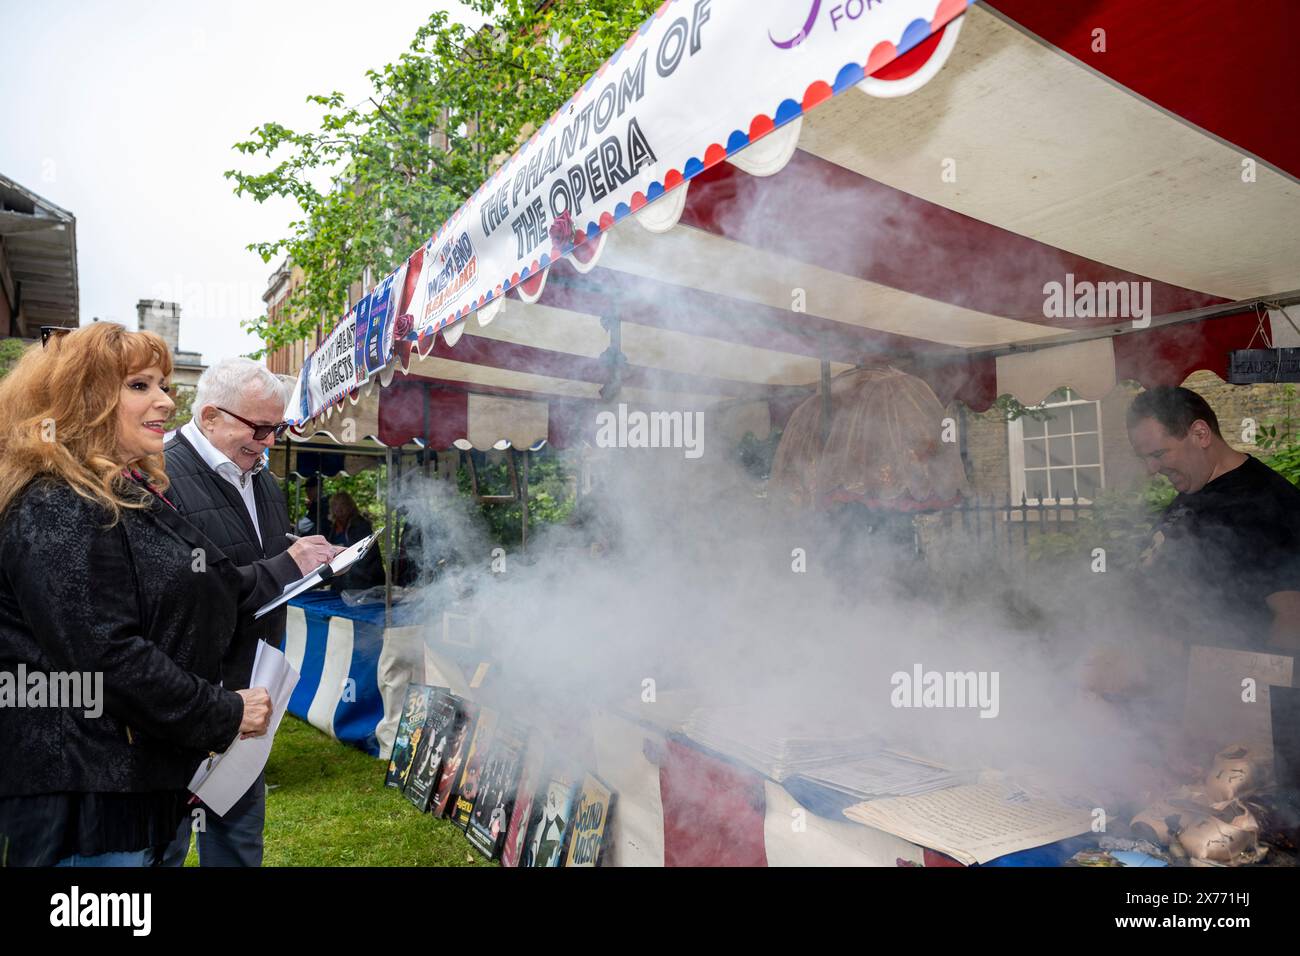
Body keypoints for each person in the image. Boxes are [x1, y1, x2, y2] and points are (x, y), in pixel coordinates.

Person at [0, 324, 278, 867]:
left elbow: (202, 584)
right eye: (139, 385)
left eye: (164, 385)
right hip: (85, 798)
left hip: (125, 778)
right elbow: (106, 656)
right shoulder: (57, 502)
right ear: (81, 398)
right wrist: (220, 711)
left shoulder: (113, 490)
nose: (165, 401)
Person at [158, 358, 337, 867]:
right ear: (211, 416)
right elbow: (182, 590)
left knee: (238, 841)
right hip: (185, 697)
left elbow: (254, 561)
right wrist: (285, 564)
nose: (269, 442)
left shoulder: (262, 480)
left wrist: (311, 563)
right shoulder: (161, 475)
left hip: (250, 690)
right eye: (260, 428)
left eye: (277, 428)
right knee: (166, 845)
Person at [1127, 385, 1300, 653]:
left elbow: (1292, 625)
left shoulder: (1269, 505)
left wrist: (1154, 671)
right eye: (1144, 458)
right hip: (1151, 690)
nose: (1151, 470)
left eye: (1158, 454)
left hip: (1209, 692)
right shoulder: (1194, 487)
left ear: (1200, 434)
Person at [326, 491, 385, 593]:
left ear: (350, 506)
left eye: (342, 504)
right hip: (342, 580)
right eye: (335, 504)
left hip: (364, 582)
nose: (338, 508)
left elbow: (365, 555)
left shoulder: (360, 525)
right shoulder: (334, 527)